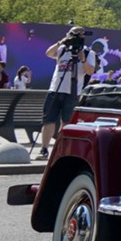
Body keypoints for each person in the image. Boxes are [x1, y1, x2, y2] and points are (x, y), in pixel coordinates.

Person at [34, 27, 98, 159]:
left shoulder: (87, 52)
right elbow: (48, 53)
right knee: (48, 120)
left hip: (73, 92)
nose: (72, 37)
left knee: (67, 121)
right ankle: (44, 149)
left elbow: (90, 71)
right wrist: (62, 42)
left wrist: (83, 59)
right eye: (71, 34)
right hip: (56, 89)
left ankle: (60, 149)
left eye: (76, 35)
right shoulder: (63, 49)